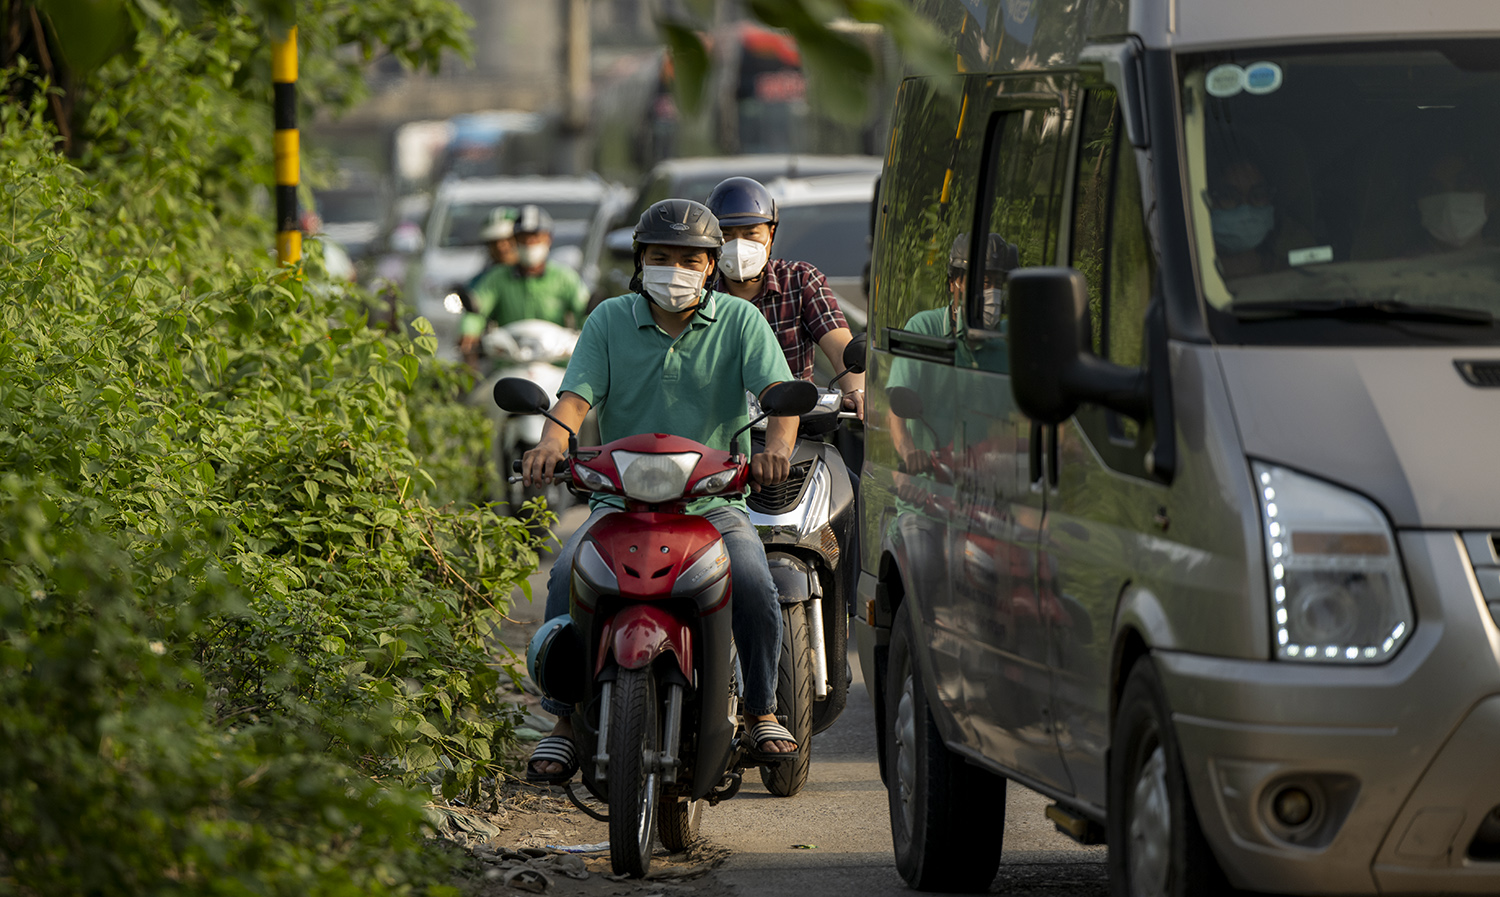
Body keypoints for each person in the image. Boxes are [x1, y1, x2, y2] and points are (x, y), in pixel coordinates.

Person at [520, 198, 803, 784]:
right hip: (618, 505)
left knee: (753, 578)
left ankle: (761, 709)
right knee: (565, 571)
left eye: (690, 259)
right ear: (641, 261)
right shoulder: (608, 320)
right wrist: (552, 440)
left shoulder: (741, 322)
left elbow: (780, 393)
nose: (675, 269)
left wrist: (776, 449)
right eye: (662, 257)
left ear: (711, 266)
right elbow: (575, 398)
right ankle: (562, 722)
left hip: (713, 505)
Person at [703, 177, 867, 419]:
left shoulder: (801, 280)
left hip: (799, 428)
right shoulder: (700, 291)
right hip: (715, 432)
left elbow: (840, 343)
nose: (739, 246)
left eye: (751, 233)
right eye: (727, 235)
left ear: (771, 232)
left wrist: (857, 390)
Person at [459, 204, 589, 366]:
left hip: (556, 366)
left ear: (548, 238)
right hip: (508, 365)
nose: (529, 243)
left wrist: (590, 332)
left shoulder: (565, 277)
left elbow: (585, 310)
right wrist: (469, 332)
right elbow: (476, 310)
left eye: (535, 237)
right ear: (514, 240)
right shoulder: (496, 278)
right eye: (523, 238)